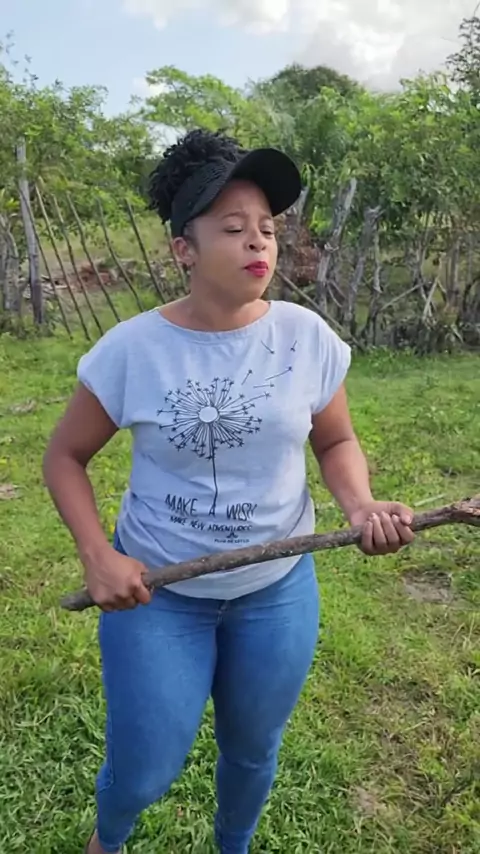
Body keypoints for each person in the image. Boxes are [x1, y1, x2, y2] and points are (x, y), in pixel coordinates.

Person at [43, 129, 415, 854]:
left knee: (252, 750)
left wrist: (361, 505)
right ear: (184, 248)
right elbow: (65, 457)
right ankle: (107, 841)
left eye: (268, 228)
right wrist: (96, 553)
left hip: (276, 590)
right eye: (234, 227)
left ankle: (233, 846)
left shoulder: (306, 338)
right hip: (158, 592)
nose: (258, 242)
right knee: (144, 767)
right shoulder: (133, 350)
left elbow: (335, 441)